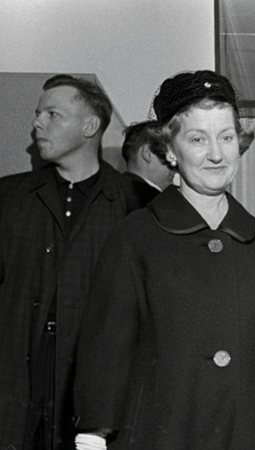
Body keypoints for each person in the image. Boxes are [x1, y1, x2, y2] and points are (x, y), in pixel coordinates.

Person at [71, 71, 255, 449]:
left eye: (225, 137)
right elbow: (106, 352)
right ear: (170, 150)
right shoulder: (133, 239)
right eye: (197, 139)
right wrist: (93, 433)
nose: (216, 154)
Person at [0, 74, 141, 449]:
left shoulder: (133, 204)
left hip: (89, 391)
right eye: (37, 113)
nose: (37, 123)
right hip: (16, 385)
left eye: (53, 114)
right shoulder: (9, 198)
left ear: (89, 126)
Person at [121, 120, 174, 204]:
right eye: (170, 156)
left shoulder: (109, 192)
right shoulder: (158, 203)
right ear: (147, 154)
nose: (176, 165)